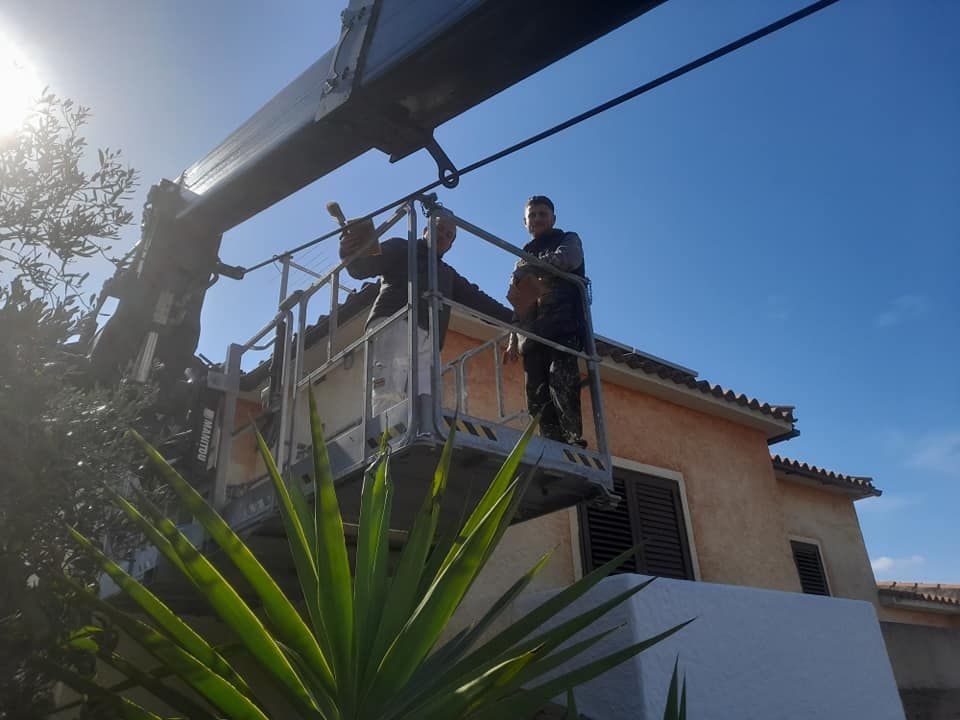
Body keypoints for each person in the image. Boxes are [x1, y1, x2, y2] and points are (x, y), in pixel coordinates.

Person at [340, 207, 513, 416]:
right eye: (439, 229)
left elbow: (480, 302)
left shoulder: (447, 274)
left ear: (451, 244)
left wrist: (517, 320)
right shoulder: (402, 248)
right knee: (389, 392)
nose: (443, 236)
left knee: (425, 400)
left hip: (428, 340)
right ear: (425, 229)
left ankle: (419, 442)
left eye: (449, 236)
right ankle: (384, 444)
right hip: (393, 323)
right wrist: (349, 253)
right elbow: (363, 267)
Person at [504, 195, 587, 446]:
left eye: (543, 214)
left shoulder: (568, 239)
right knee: (537, 396)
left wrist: (529, 269)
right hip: (532, 337)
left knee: (561, 382)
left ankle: (573, 442)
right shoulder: (521, 257)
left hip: (562, 328)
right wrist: (512, 339)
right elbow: (519, 302)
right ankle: (551, 444)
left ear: (553, 218)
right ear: (525, 222)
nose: (537, 219)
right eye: (533, 215)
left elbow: (567, 259)